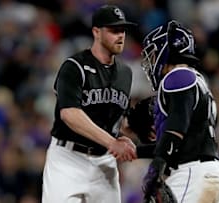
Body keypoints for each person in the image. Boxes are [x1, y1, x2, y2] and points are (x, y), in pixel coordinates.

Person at [42, 5, 138, 203]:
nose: (120, 35)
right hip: (68, 160)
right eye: (113, 30)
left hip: (104, 163)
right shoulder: (74, 66)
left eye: (123, 30)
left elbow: (111, 120)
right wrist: (112, 142)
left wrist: (122, 136)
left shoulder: (125, 74)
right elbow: (69, 114)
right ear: (96, 32)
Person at [139, 20, 219, 203]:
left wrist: (156, 167)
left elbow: (177, 128)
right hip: (210, 172)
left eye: (154, 54)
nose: (152, 61)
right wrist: (136, 151)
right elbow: (183, 138)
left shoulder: (177, 76)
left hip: (191, 173)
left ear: (166, 50)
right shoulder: (197, 80)